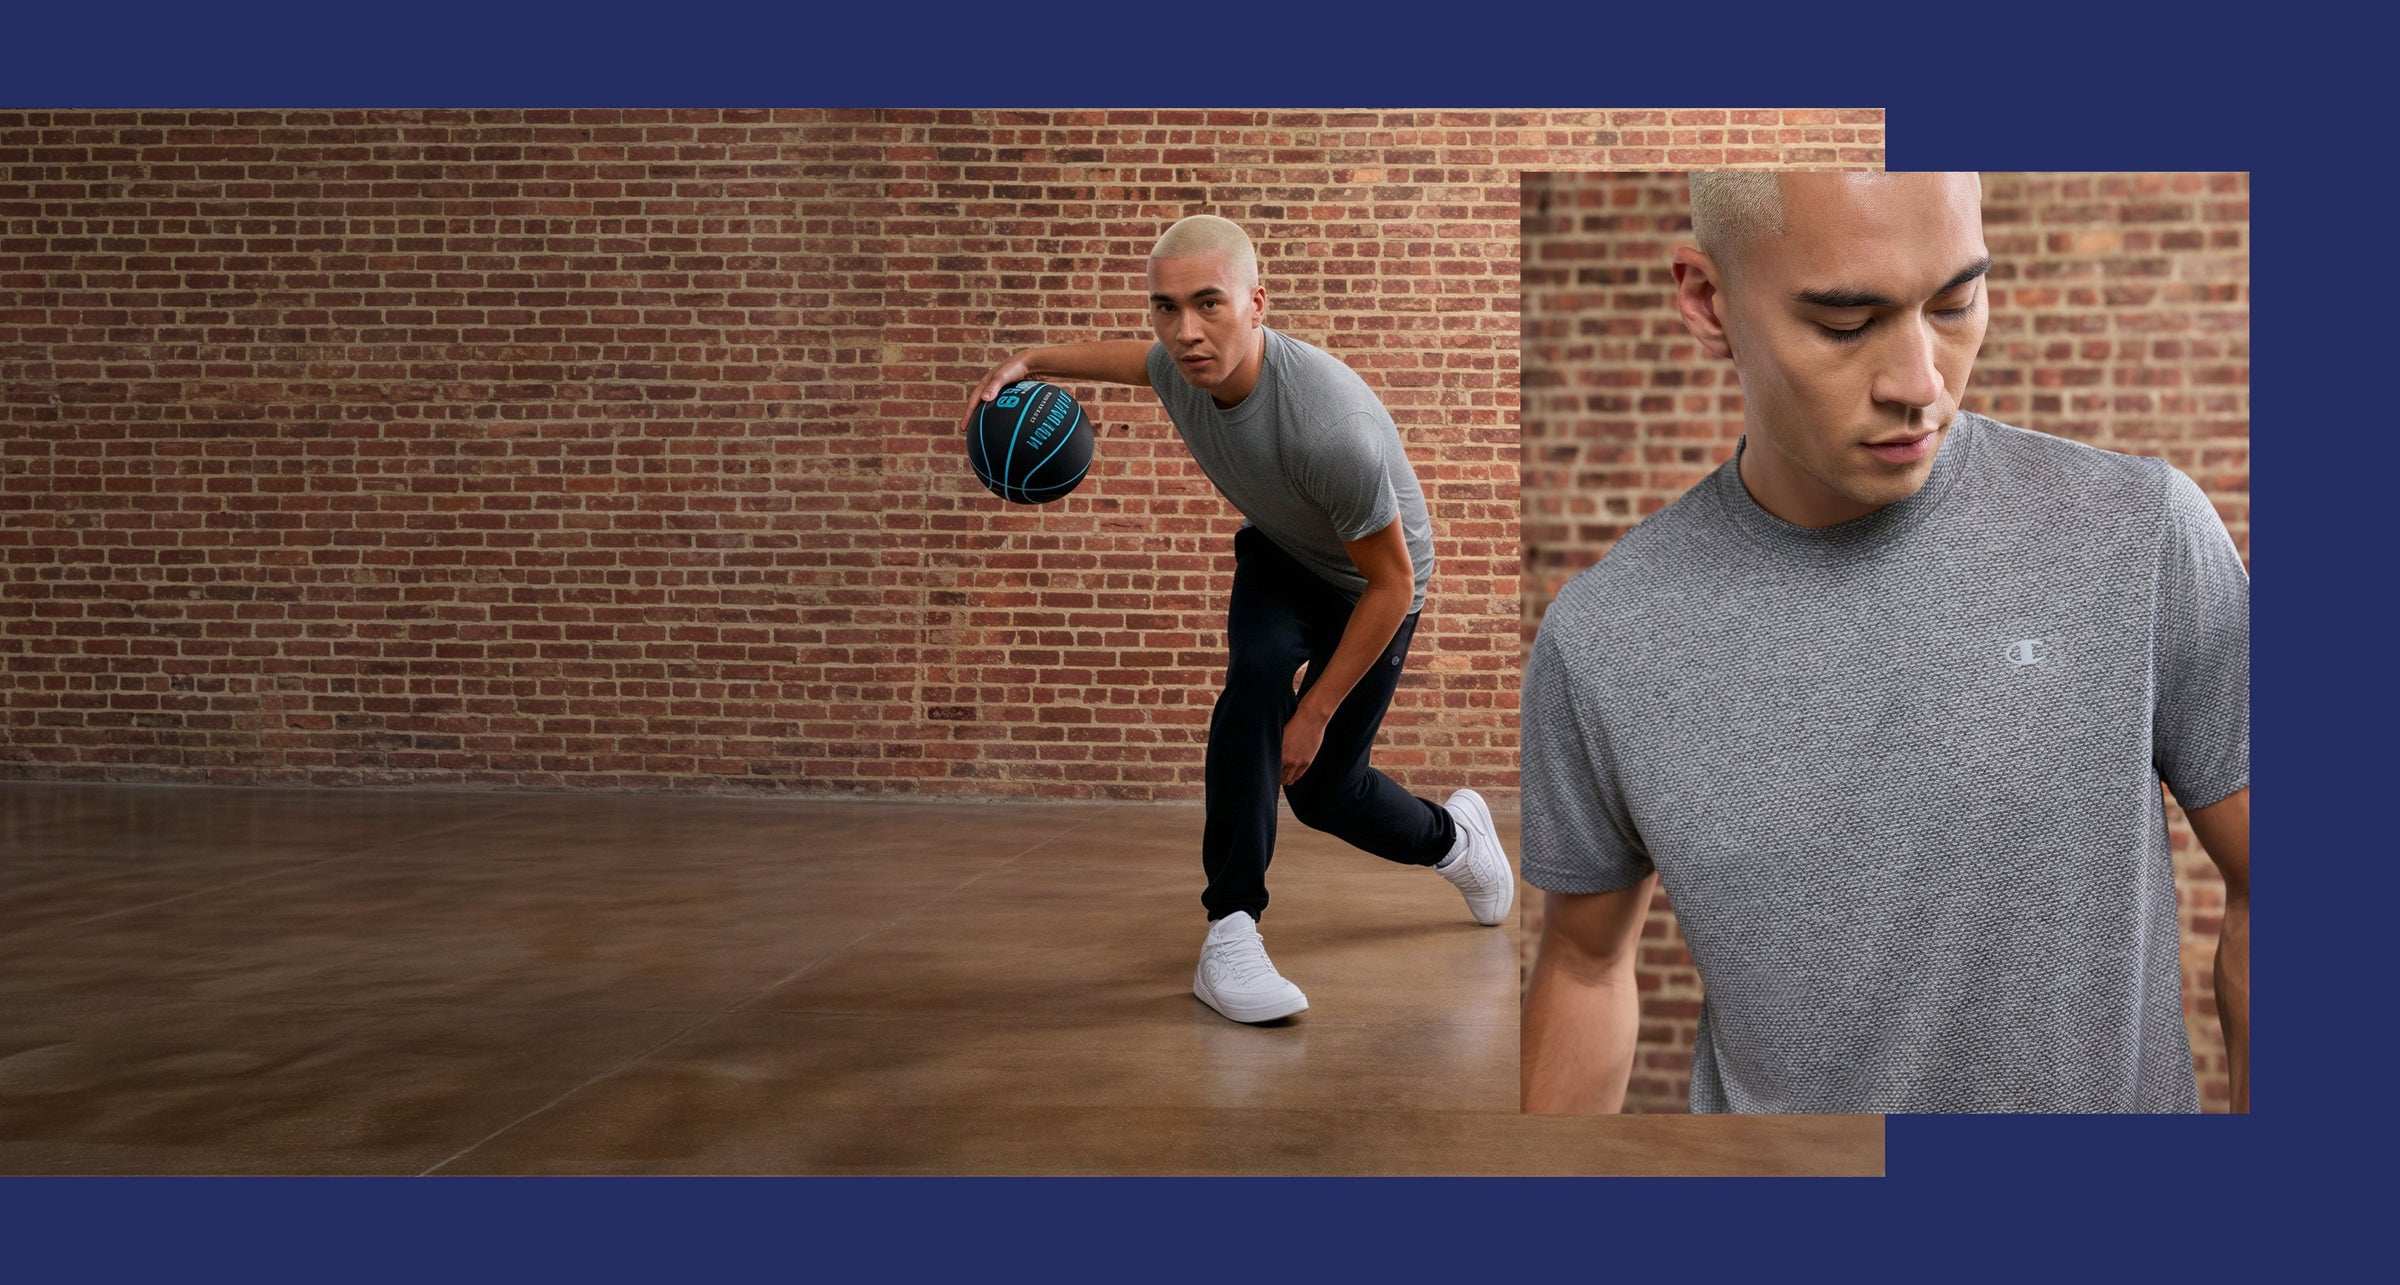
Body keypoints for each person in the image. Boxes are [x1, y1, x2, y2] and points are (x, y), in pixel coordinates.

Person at [1518, 172, 2250, 1113]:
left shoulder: (2139, 534)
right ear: (1709, 302)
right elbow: (1583, 962)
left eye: (1955, 302)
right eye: (1845, 323)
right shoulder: (1604, 637)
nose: (1921, 384)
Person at [971, 214, 1516, 1025]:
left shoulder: (1330, 430)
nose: (1185, 332)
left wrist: (1316, 712)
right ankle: (1231, 928)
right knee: (1255, 680)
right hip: (1283, 555)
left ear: (1256, 303)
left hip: (1370, 585)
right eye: (1165, 308)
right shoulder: (1181, 365)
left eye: (1208, 304)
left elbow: (1392, 586)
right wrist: (1031, 362)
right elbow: (1136, 363)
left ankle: (1456, 840)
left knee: (1327, 791)